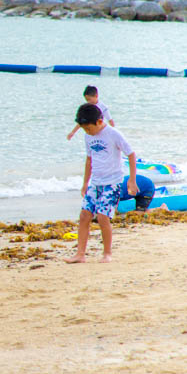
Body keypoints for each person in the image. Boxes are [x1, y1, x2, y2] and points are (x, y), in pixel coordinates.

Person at [65, 103, 137, 264]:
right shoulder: (88, 136)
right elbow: (89, 159)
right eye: (84, 129)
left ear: (99, 121)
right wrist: (85, 183)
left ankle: (107, 253)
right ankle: (80, 254)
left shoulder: (113, 134)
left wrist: (132, 180)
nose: (87, 132)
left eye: (88, 128)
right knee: (84, 216)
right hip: (95, 183)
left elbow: (131, 154)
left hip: (112, 183)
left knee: (103, 217)